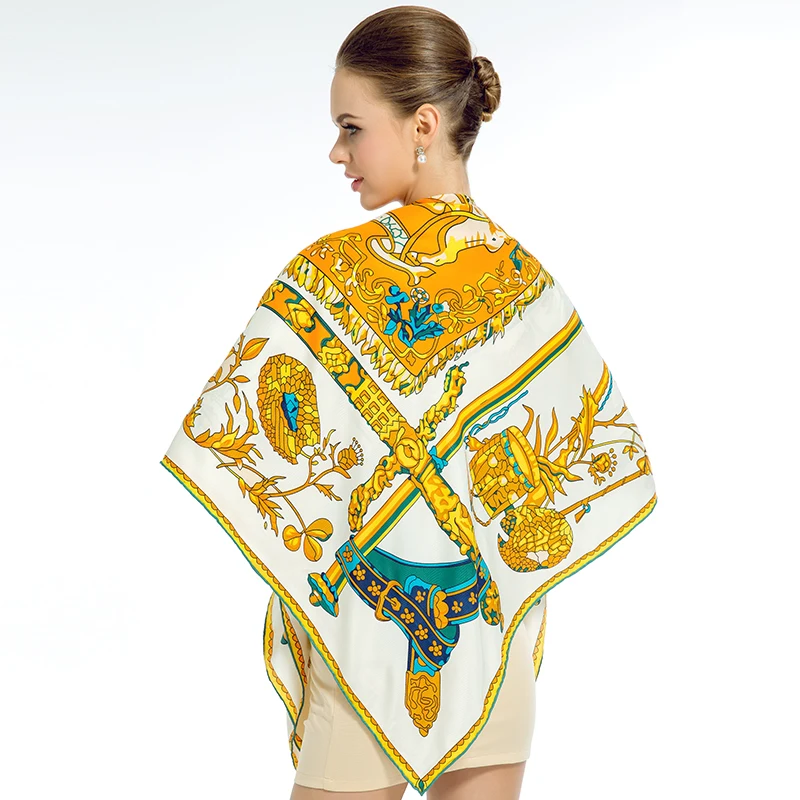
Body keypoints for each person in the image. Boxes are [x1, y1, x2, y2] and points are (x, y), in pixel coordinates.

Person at [160, 6, 658, 800]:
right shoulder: (531, 291)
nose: (337, 152)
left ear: (423, 125)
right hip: (484, 663)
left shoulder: (321, 280)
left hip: (365, 653)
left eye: (351, 128)